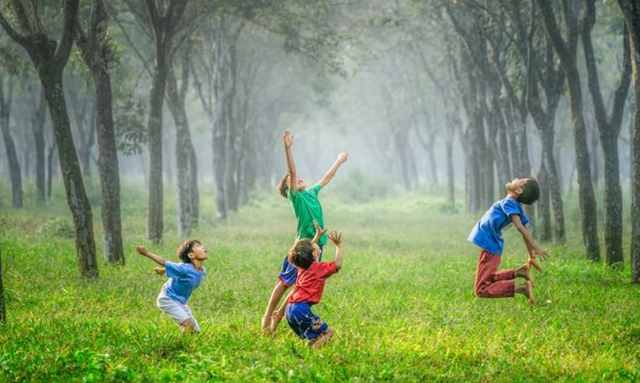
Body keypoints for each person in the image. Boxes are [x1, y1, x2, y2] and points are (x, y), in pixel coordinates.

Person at [261, 129, 348, 333]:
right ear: (288, 189)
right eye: (291, 180)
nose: (297, 178)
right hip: (302, 248)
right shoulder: (296, 198)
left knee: (302, 283)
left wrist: (338, 161)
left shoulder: (311, 193)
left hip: (317, 246)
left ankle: (280, 315)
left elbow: (326, 178)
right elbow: (292, 170)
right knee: (285, 282)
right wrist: (287, 148)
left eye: (298, 177)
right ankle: (267, 316)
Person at [468, 177, 548, 305]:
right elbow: (524, 230)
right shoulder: (514, 205)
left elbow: (520, 227)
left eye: (519, 180)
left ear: (519, 190)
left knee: (481, 289)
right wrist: (531, 255)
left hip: (490, 246)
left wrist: (535, 247)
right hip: (490, 245)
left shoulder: (509, 203)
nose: (515, 178)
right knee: (488, 279)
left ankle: (522, 288)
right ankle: (519, 272)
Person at [283, 230, 344, 348]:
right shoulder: (319, 269)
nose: (314, 242)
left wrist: (317, 236)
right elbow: (338, 264)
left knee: (315, 336)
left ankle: (306, 354)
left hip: (289, 309)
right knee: (328, 332)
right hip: (300, 310)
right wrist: (339, 246)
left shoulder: (301, 266)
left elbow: (304, 252)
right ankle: (314, 356)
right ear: (314, 254)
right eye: (313, 244)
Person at [136, 239, 208, 332]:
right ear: (191, 255)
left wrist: (163, 270)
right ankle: (178, 345)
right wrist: (147, 253)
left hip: (181, 302)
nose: (203, 247)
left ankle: (186, 342)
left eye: (201, 245)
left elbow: (177, 268)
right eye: (198, 246)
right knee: (188, 324)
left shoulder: (202, 270)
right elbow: (164, 262)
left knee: (195, 331)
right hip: (167, 299)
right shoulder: (184, 269)